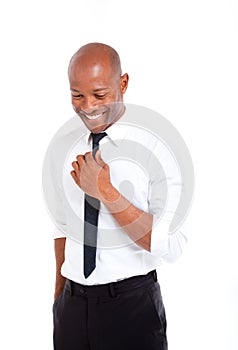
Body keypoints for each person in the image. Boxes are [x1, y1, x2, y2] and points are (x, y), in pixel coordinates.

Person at [51, 42, 188, 350]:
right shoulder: (65, 145)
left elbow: (173, 246)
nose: (87, 106)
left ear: (123, 83)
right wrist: (59, 298)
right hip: (71, 309)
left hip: (131, 309)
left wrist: (107, 193)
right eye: (77, 95)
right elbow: (61, 224)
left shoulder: (157, 149)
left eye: (99, 94)